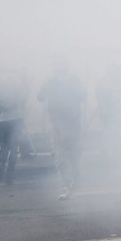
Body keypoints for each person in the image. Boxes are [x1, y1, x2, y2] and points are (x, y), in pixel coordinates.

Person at [38, 67, 86, 199]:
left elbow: (40, 97)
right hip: (65, 124)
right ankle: (71, 184)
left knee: (64, 155)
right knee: (68, 155)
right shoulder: (69, 81)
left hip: (63, 124)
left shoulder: (59, 82)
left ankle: (70, 185)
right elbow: (41, 97)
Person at [0, 71, 28, 185]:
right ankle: (9, 176)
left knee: (4, 147)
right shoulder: (17, 85)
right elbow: (22, 100)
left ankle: (1, 173)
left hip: (3, 119)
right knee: (12, 148)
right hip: (15, 118)